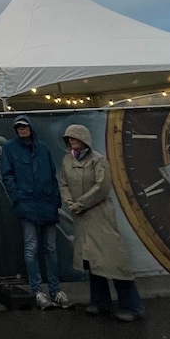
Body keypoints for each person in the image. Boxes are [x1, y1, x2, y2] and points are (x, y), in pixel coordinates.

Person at [59, 124, 144, 321]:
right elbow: (63, 183)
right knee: (92, 261)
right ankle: (99, 302)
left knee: (114, 261)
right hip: (81, 218)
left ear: (85, 139)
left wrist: (80, 203)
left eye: (74, 136)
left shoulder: (99, 160)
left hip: (100, 215)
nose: (71, 139)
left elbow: (102, 187)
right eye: (68, 137)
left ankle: (133, 307)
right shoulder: (67, 160)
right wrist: (70, 201)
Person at [0, 116, 71, 310]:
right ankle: (38, 291)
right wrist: (18, 197)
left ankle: (56, 291)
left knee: (50, 249)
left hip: (47, 203)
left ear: (31, 127)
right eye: (18, 128)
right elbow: (6, 175)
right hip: (28, 204)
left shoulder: (44, 149)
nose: (22, 130)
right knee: (31, 248)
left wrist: (56, 198)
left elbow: (52, 174)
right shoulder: (10, 148)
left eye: (24, 126)